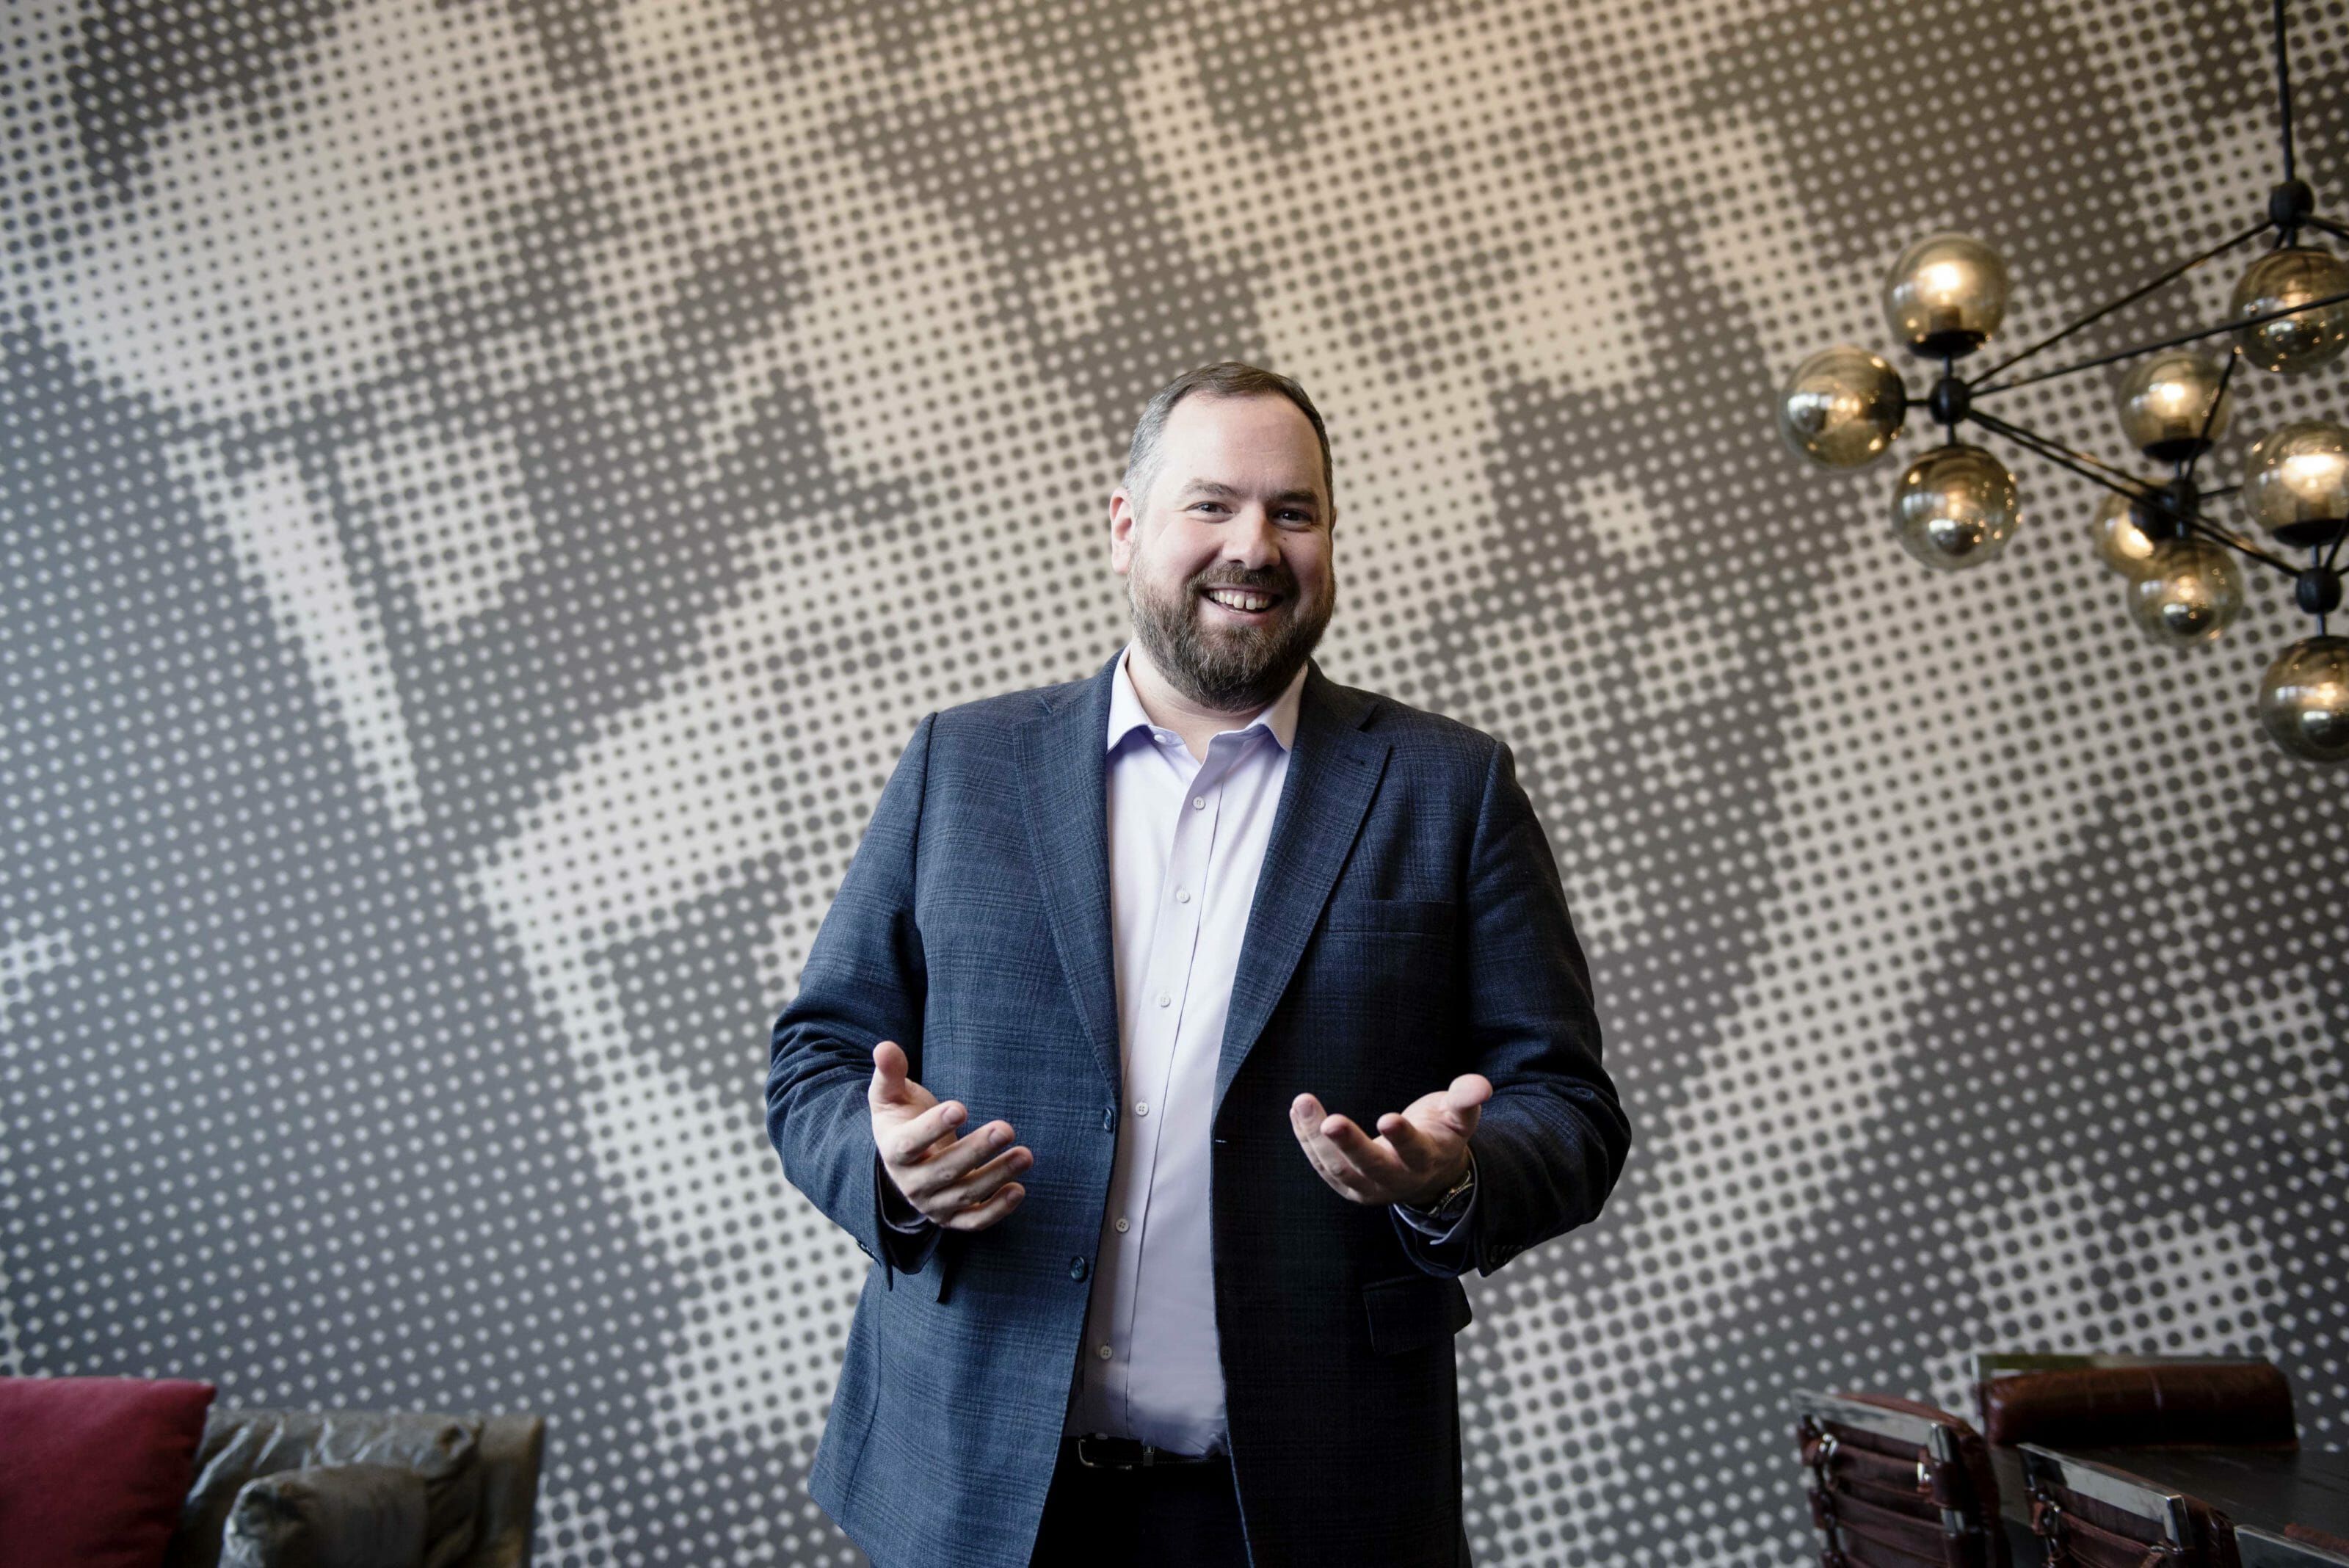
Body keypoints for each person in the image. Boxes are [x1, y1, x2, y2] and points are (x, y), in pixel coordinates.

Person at [764, 360, 1632, 1568]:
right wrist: (886, 1166)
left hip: (1312, 1504)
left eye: (1295, 511)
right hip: (973, 1487)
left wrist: (1452, 1172)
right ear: (1125, 531)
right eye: (1212, 505)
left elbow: (1572, 1110)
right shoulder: (962, 767)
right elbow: (814, 1056)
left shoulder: (1451, 788)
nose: (1255, 547)